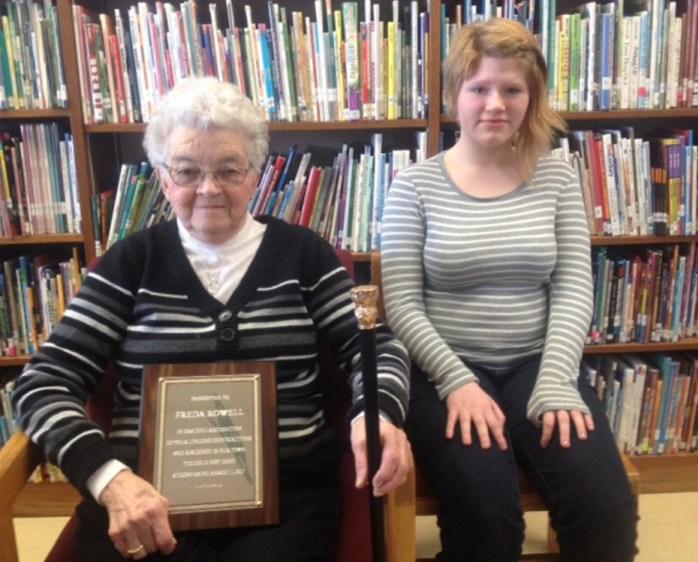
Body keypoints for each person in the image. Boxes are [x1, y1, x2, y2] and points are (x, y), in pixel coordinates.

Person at [13, 76, 411, 562]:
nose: (208, 189)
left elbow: (375, 349)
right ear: (162, 177)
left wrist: (377, 415)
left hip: (288, 498)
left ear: (256, 175)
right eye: (186, 171)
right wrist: (109, 480)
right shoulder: (129, 264)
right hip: (143, 498)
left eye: (229, 170)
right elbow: (43, 384)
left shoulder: (304, 255)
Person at [380, 18, 638, 562]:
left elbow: (572, 286)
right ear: (455, 95)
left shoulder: (560, 177)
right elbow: (401, 303)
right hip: (441, 373)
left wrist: (556, 379)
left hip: (536, 365)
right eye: (479, 88)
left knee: (604, 507)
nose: (495, 103)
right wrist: (456, 381)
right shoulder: (414, 187)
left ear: (532, 97)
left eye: (512, 89)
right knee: (487, 516)